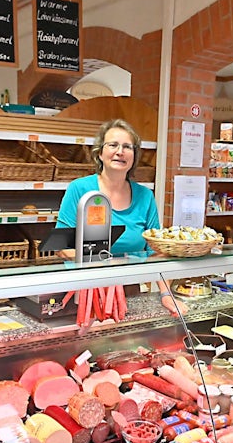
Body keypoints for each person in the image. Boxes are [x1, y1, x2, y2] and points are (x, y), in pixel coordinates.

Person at [55, 118, 186, 316]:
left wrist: (166, 294)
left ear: (134, 155)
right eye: (113, 145)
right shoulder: (79, 189)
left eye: (127, 147)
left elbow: (157, 252)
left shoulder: (145, 196)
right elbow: (62, 246)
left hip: (129, 294)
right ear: (99, 152)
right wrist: (106, 267)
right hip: (85, 294)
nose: (120, 152)